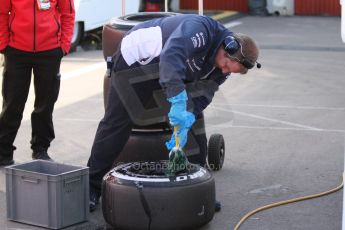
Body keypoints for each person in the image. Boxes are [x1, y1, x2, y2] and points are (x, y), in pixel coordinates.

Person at [87, 14, 260, 211]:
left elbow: (205, 93)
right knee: (117, 123)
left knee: (192, 122)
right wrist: (178, 100)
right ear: (227, 46)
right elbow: (171, 56)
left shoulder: (225, 67)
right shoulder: (199, 30)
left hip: (175, 69)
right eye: (226, 65)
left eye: (230, 71)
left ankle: (197, 190)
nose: (224, 70)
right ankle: (91, 187)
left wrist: (189, 115)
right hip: (138, 61)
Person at [0, 0, 75, 166]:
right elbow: (2, 13)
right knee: (12, 104)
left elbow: (68, 14)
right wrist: (3, 44)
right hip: (16, 51)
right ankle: (3, 152)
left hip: (50, 51)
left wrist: (64, 46)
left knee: (45, 104)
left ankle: (40, 150)